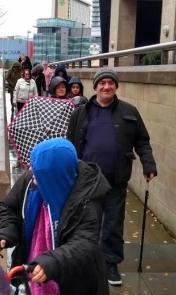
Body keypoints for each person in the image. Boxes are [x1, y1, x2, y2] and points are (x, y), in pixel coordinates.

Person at [66, 68, 157, 286]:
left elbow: (142, 141)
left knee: (113, 224)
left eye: (111, 83)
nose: (106, 86)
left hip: (116, 179)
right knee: (87, 222)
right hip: (88, 180)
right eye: (102, 83)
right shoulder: (81, 112)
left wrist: (149, 164)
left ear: (116, 86)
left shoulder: (130, 111)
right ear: (96, 86)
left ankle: (111, 263)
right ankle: (87, 260)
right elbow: (69, 144)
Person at [0, 138, 110, 295]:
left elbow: (84, 243)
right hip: (32, 269)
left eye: (37, 171)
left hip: (71, 281)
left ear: (54, 176)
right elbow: (10, 207)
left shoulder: (87, 201)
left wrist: (53, 262)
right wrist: (6, 232)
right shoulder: (30, 182)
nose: (31, 171)